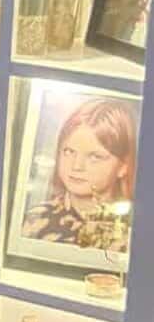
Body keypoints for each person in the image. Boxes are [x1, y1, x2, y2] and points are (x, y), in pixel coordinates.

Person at [23, 95, 137, 245]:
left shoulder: (136, 231)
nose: (77, 166)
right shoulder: (34, 221)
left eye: (95, 157)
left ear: (123, 167)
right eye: (69, 151)